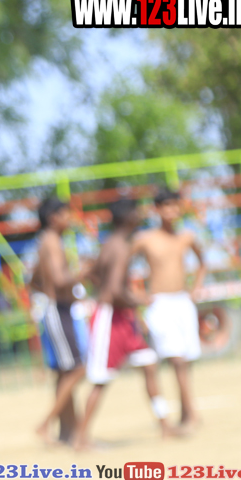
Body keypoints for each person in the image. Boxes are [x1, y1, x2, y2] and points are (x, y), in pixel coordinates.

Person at [74, 197, 172, 450]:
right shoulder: (120, 247)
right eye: (136, 212)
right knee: (100, 380)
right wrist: (139, 299)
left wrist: (113, 294)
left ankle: (165, 426)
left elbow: (94, 274)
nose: (140, 215)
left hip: (122, 318)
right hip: (110, 319)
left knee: (148, 364)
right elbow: (117, 290)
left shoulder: (110, 244)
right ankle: (81, 437)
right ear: (127, 217)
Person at [132, 187, 207, 430]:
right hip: (160, 304)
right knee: (176, 358)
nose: (171, 210)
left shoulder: (187, 236)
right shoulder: (145, 239)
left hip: (183, 301)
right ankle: (191, 414)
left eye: (175, 205)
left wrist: (196, 288)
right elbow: (122, 266)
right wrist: (138, 296)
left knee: (186, 359)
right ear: (157, 209)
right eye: (166, 206)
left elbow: (202, 262)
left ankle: (186, 413)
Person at [31, 196, 93, 444]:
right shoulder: (52, 241)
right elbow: (58, 280)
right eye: (66, 214)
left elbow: (34, 279)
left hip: (56, 308)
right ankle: (45, 424)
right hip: (59, 310)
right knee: (78, 368)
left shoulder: (45, 242)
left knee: (64, 372)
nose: (70, 219)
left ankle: (68, 432)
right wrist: (84, 273)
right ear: (53, 217)